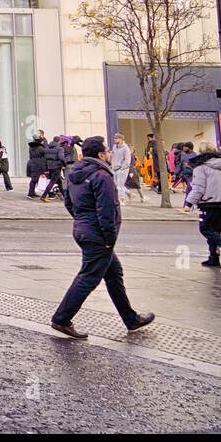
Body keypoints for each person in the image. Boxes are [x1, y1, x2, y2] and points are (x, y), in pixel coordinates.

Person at [50, 136, 155, 339]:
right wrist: (109, 237)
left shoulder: (74, 174)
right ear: (100, 154)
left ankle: (131, 319)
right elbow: (107, 210)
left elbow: (68, 203)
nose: (109, 154)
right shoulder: (102, 175)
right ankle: (61, 318)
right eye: (107, 151)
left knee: (114, 273)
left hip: (84, 230)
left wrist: (82, 220)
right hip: (99, 235)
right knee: (88, 277)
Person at [185, 143, 221, 268]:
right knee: (215, 231)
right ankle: (214, 258)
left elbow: (198, 188)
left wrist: (189, 203)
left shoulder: (200, 168)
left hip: (209, 203)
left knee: (205, 229)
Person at [110, 133, 140, 203]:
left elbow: (127, 160)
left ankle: (122, 200)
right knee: (115, 185)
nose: (114, 139)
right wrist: (112, 165)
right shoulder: (114, 147)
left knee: (120, 185)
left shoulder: (125, 148)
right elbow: (114, 157)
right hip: (114, 168)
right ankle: (130, 193)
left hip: (122, 169)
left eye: (116, 138)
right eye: (114, 138)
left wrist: (122, 168)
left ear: (121, 139)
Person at [26, 132, 48, 198]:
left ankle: (32, 192)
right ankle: (30, 193)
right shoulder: (40, 148)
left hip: (32, 162)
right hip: (38, 164)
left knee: (34, 179)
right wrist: (45, 142)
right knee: (34, 179)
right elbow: (46, 152)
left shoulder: (31, 147)